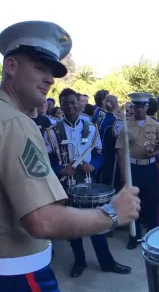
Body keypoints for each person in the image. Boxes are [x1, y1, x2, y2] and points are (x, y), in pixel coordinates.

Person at [0, 20, 140, 291]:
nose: (50, 79)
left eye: (51, 71)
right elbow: (41, 220)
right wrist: (112, 214)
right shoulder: (13, 123)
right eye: (40, 67)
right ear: (11, 67)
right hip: (19, 276)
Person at [45, 88, 131, 278]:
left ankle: (106, 262)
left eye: (73, 102)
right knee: (73, 226)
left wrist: (93, 165)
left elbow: (101, 154)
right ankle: (79, 261)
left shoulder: (91, 128)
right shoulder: (51, 132)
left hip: (90, 184)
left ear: (79, 103)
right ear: (61, 105)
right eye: (65, 103)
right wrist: (60, 169)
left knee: (98, 224)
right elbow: (47, 158)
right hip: (66, 185)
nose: (70, 106)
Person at [116, 92, 159, 250]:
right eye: (135, 106)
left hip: (150, 167)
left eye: (141, 107)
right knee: (133, 202)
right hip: (133, 168)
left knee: (152, 201)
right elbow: (119, 150)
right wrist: (124, 173)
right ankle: (134, 235)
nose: (138, 110)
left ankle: (153, 234)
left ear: (147, 107)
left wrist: (156, 153)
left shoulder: (155, 125)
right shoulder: (125, 126)